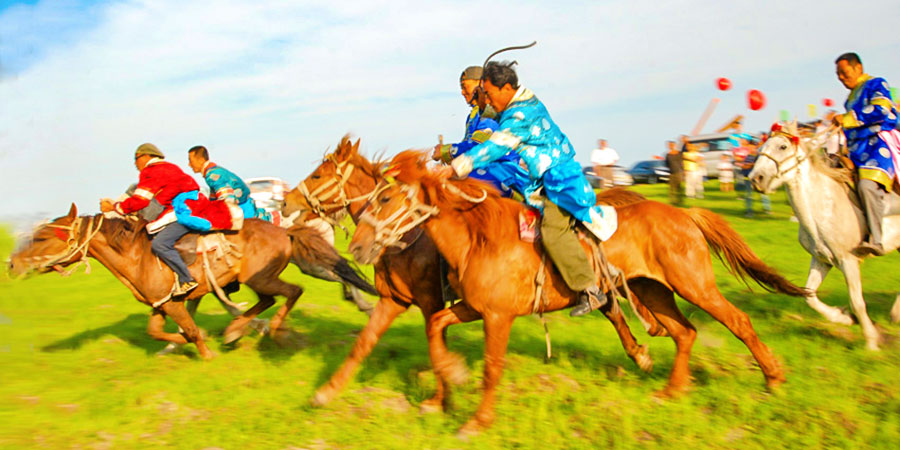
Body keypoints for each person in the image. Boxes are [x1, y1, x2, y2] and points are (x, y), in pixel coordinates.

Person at [447, 61, 612, 317]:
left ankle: (590, 290)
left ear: (506, 88)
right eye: (485, 94)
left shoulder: (520, 115)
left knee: (553, 232)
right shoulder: (517, 105)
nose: (487, 99)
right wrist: (480, 99)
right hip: (545, 182)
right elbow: (494, 114)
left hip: (561, 183)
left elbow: (497, 145)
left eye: (489, 93)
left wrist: (456, 166)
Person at [100, 144, 200, 295]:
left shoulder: (151, 171)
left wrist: (115, 207)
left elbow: (140, 200)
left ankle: (187, 279)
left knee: (160, 244)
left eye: (136, 159)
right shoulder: (170, 167)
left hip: (184, 212)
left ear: (146, 156)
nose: (135, 163)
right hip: (190, 207)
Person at [832, 52, 900, 256]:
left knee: (867, 186)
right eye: (839, 76)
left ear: (858, 68)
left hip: (878, 146)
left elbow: (881, 111)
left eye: (844, 73)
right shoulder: (849, 100)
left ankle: (877, 240)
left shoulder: (877, 84)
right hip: (856, 150)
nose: (842, 78)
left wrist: (848, 118)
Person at [432, 66, 528, 197]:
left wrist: (446, 150)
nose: (462, 92)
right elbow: (468, 146)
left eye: (465, 86)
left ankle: (519, 205)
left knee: (462, 184)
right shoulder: (473, 115)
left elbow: (479, 147)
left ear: (480, 85)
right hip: (486, 168)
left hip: (502, 170)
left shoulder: (491, 111)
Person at [187, 145, 275, 223]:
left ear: (201, 160)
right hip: (245, 205)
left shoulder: (213, 175)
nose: (189, 164)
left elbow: (227, 198)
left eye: (191, 161)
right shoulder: (214, 171)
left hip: (243, 210)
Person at [740, 142, 771, 217]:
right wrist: (751, 165)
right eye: (750, 148)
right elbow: (744, 167)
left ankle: (767, 209)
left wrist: (750, 165)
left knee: (764, 195)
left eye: (753, 147)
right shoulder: (747, 157)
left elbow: (761, 166)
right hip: (748, 178)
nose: (751, 149)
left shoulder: (759, 157)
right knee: (749, 195)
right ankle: (749, 211)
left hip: (758, 179)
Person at [664, 140, 684, 205]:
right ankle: (672, 201)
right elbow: (666, 164)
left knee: (679, 187)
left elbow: (682, 163)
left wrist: (683, 171)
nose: (670, 146)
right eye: (669, 145)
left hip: (679, 172)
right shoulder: (667, 155)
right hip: (671, 173)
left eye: (671, 145)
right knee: (671, 188)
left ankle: (680, 200)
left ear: (675, 145)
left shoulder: (679, 153)